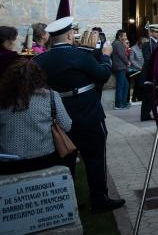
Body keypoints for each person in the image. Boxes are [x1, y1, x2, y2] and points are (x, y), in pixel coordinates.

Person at [35, 15, 124, 213]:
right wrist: (106, 56)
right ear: (69, 34)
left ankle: (68, 201)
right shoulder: (79, 55)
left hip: (59, 119)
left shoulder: (40, 60)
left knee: (65, 162)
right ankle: (99, 199)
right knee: (95, 160)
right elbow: (102, 74)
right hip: (88, 115)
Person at [0, 59, 72, 174]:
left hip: (9, 162)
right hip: (44, 159)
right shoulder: (51, 97)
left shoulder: (2, 100)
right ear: (38, 76)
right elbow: (67, 125)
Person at [111, 30, 130, 110]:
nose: (125, 37)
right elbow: (122, 55)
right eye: (124, 36)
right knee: (121, 86)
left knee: (125, 85)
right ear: (119, 36)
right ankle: (119, 104)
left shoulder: (116, 43)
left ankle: (123, 102)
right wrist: (127, 62)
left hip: (119, 67)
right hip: (120, 67)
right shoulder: (118, 43)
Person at [129, 37, 146, 103]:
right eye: (142, 45)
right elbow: (132, 60)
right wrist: (140, 67)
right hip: (136, 70)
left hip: (143, 69)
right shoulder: (133, 48)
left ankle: (141, 98)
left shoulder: (144, 47)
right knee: (137, 85)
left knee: (142, 84)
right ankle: (134, 98)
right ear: (139, 44)